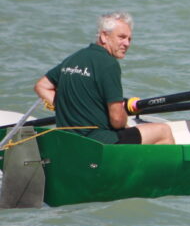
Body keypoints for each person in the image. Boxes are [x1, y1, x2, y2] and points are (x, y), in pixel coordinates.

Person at [32, 12, 173, 145]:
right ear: (104, 36)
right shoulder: (109, 64)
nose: (127, 43)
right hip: (99, 142)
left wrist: (67, 107)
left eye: (129, 39)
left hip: (67, 139)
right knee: (163, 131)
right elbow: (117, 120)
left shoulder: (73, 58)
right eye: (122, 37)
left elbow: (41, 86)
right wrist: (123, 113)